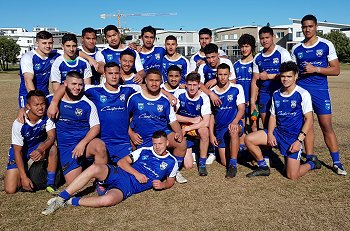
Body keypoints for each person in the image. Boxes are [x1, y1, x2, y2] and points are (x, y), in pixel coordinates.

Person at [42, 131, 178, 215]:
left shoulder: (172, 162)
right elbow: (121, 162)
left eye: (160, 144)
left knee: (108, 200)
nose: (157, 147)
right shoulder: (144, 151)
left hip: (127, 187)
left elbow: (170, 181)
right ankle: (60, 198)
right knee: (95, 168)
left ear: (167, 143)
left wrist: (163, 185)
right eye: (155, 143)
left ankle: (70, 201)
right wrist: (136, 173)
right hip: (120, 172)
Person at [48, 62, 141, 164]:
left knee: (125, 175)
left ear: (120, 75)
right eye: (110, 73)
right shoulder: (94, 90)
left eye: (116, 73)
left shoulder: (128, 89)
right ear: (104, 75)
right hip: (103, 142)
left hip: (122, 142)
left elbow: (150, 88)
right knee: (105, 174)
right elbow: (65, 86)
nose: (114, 76)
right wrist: (54, 103)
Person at [245, 61, 321, 179]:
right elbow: (273, 117)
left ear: (295, 76)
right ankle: (263, 166)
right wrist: (270, 134)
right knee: (249, 139)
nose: (285, 79)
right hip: (278, 133)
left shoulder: (302, 94)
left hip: (293, 138)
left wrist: (299, 141)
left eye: (289, 76)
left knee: (291, 175)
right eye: (283, 76)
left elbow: (309, 119)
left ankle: (312, 163)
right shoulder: (276, 94)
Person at [291, 14, 346, 175]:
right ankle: (310, 157)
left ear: (316, 27)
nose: (307, 29)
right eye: (304, 27)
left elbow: (336, 69)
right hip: (302, 91)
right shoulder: (297, 48)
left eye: (310, 26)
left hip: (320, 91)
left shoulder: (326, 44)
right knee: (307, 126)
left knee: (326, 126)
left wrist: (316, 69)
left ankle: (336, 161)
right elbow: (293, 72)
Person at [127, 68, 187, 183]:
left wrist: (179, 133)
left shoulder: (164, 101)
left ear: (161, 82)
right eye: (151, 80)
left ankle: (174, 171)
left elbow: (173, 121)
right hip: (140, 137)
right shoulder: (134, 98)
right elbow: (124, 120)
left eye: (157, 80)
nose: (154, 83)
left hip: (161, 136)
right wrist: (131, 134)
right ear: (145, 80)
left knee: (181, 142)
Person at [49, 71, 107, 185]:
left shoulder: (88, 103)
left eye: (80, 85)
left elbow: (95, 127)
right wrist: (22, 111)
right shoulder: (53, 101)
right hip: (67, 148)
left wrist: (83, 143)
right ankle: (85, 167)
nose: (77, 88)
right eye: (73, 84)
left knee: (100, 146)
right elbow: (32, 104)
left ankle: (101, 182)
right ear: (65, 83)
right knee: (75, 184)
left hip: (84, 145)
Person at [4, 90, 58, 194]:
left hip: (37, 149)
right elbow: (17, 152)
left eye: (42, 104)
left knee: (53, 148)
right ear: (28, 106)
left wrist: (40, 149)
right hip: (21, 153)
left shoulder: (47, 117)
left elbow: (51, 137)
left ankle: (50, 183)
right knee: (10, 190)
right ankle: (23, 173)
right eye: (36, 105)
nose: (40, 107)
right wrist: (23, 177)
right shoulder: (19, 124)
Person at [250, 26, 291, 128]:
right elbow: (255, 80)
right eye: (262, 38)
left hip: (281, 93)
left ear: (273, 37)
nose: (264, 41)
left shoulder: (282, 53)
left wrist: (268, 76)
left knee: (282, 125)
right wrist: (252, 101)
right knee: (266, 126)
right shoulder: (258, 57)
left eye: (267, 37)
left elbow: (289, 75)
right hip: (264, 95)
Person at [209, 63, 245, 178]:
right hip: (220, 129)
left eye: (225, 74)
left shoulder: (236, 88)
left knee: (233, 130)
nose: (223, 77)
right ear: (216, 75)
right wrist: (211, 134)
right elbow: (211, 115)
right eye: (220, 74)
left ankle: (233, 166)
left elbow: (241, 109)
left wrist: (235, 122)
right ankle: (244, 150)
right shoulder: (212, 92)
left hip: (234, 125)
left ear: (229, 75)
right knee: (225, 162)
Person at [174, 73, 211, 176]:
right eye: (189, 84)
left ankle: (202, 163)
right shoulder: (179, 94)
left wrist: (188, 128)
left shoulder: (204, 97)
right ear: (185, 84)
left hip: (192, 128)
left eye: (194, 85)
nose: (192, 88)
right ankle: (187, 147)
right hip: (181, 127)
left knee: (204, 131)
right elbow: (173, 116)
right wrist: (191, 120)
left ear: (199, 85)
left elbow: (206, 121)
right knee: (188, 165)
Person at [18, 31, 61, 108]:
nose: (48, 46)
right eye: (44, 43)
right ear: (37, 43)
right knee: (29, 118)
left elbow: (73, 51)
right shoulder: (28, 57)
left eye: (50, 43)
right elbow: (28, 80)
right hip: (28, 94)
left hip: (44, 93)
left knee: (45, 119)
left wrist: (88, 58)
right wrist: (36, 99)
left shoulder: (55, 55)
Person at [234, 34, 256, 149]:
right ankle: (242, 147)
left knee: (253, 125)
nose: (244, 49)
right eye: (242, 46)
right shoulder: (236, 65)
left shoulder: (256, 63)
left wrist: (253, 101)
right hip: (241, 103)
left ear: (252, 47)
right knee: (241, 124)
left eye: (247, 46)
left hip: (253, 102)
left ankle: (254, 148)